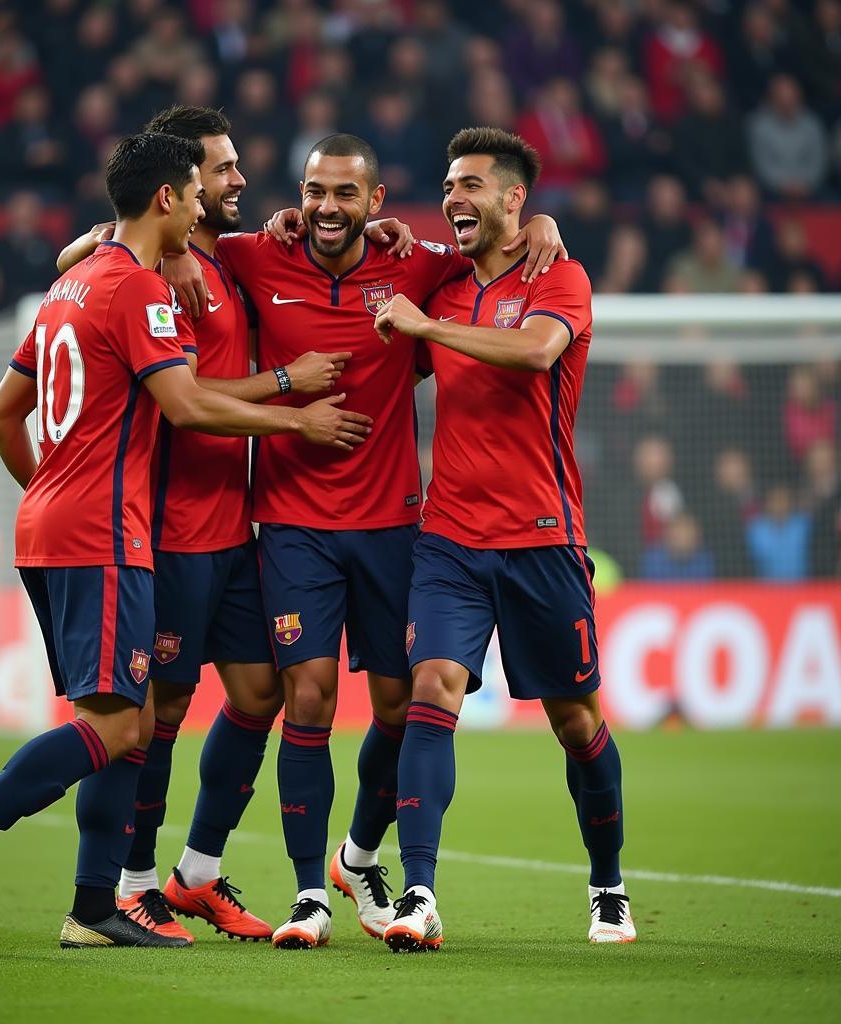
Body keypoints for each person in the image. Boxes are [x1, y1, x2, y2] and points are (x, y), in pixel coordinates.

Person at [0, 130, 372, 956]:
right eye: (195, 191)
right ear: (167, 199)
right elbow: (186, 406)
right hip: (108, 533)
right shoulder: (137, 291)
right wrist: (296, 412)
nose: (203, 205)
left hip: (53, 522)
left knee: (130, 718)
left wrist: (49, 486)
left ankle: (94, 906)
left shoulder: (71, 284)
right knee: (119, 729)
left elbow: (1, 413)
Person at [163, 133, 565, 950]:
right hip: (294, 527)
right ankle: (310, 893)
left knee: (398, 707)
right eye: (315, 192)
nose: (328, 208)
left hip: (392, 527)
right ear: (299, 196)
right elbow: (142, 233)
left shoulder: (418, 267)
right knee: (305, 697)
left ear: (376, 203)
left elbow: (493, 242)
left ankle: (359, 858)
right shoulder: (251, 257)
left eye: (346, 194)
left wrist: (545, 225)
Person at [55, 106, 417, 946]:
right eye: (221, 171)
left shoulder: (231, 259)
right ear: (177, 189)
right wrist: (290, 391)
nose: (238, 183)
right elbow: (186, 408)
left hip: (235, 530)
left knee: (259, 695)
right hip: (173, 529)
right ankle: (131, 883)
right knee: (157, 714)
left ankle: (195, 872)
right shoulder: (158, 276)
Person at [373, 126, 636, 951]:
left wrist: (427, 329)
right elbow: (380, 248)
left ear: (516, 199)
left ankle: (608, 886)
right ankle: (419, 893)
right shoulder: (444, 279)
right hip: (448, 538)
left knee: (576, 722)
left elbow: (533, 353)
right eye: (449, 184)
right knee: (432, 690)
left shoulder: (560, 276)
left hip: (542, 537)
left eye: (473, 184)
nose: (455, 197)